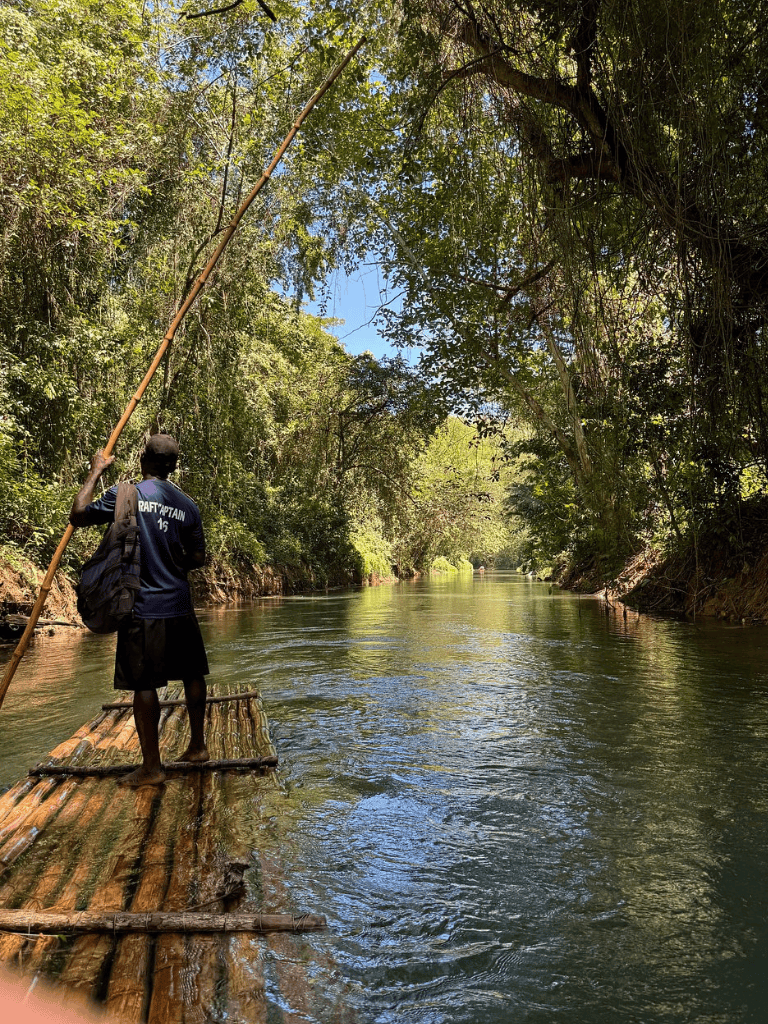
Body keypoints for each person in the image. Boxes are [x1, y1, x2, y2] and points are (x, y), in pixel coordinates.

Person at [70, 433, 209, 786]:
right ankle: (197, 746)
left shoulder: (126, 493)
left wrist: (96, 471)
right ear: (172, 466)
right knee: (192, 674)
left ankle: (152, 768)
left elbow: (79, 514)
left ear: (143, 459)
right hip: (179, 601)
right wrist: (172, 558)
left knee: (144, 683)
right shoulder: (188, 505)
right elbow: (197, 558)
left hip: (143, 604)